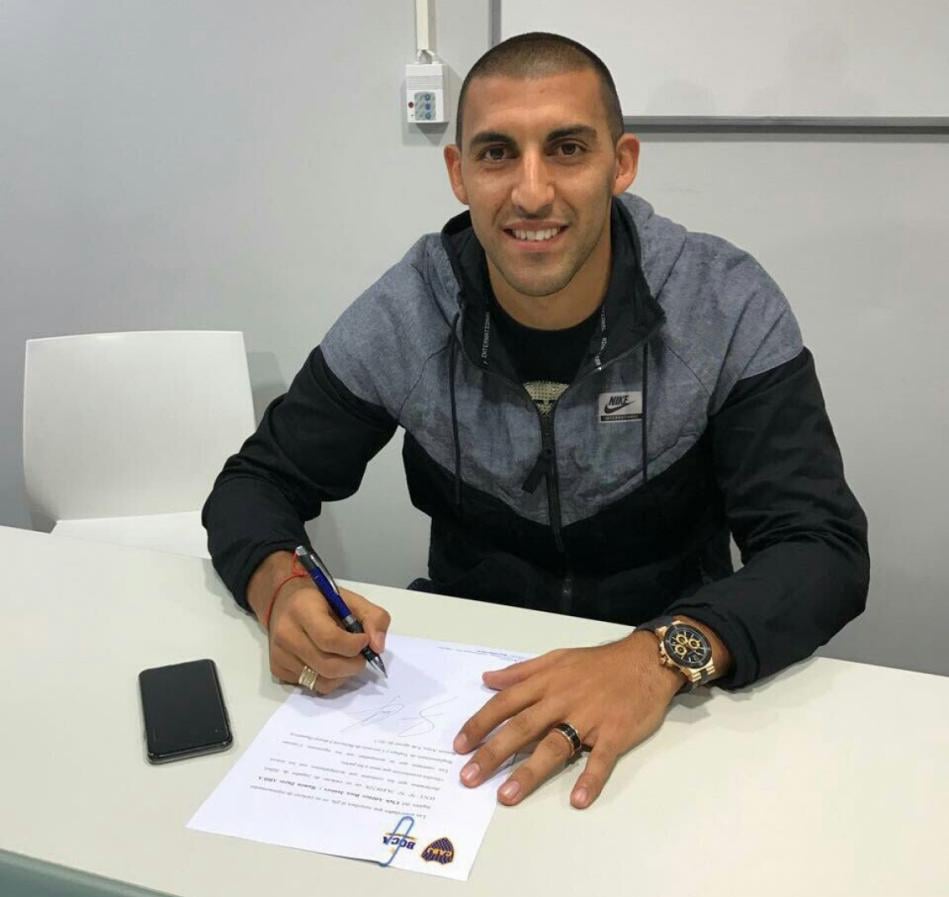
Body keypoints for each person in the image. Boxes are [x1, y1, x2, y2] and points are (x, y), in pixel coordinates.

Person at [203, 33, 869, 811]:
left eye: (566, 149)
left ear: (620, 163)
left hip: (678, 693)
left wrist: (657, 656)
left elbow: (819, 548)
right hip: (466, 698)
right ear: (458, 175)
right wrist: (280, 587)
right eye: (495, 154)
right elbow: (256, 484)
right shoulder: (407, 310)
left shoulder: (723, 303)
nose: (530, 192)